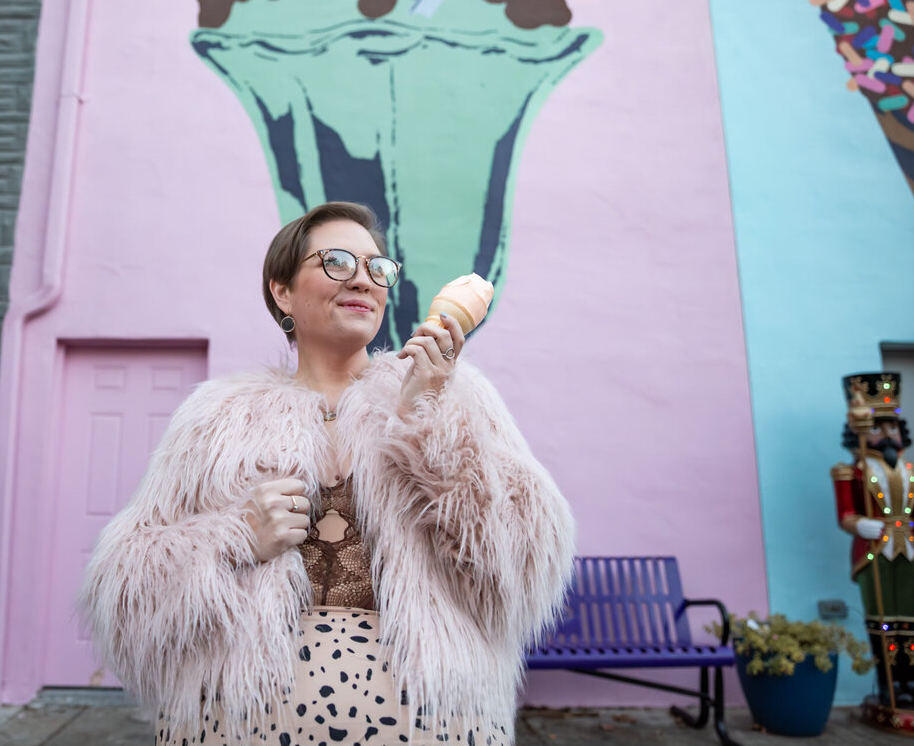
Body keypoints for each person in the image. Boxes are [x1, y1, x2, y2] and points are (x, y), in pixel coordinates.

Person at [79, 201, 576, 745]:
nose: (363, 277)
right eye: (337, 261)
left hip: (434, 722)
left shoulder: (453, 395)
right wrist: (236, 537)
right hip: (241, 723)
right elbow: (125, 594)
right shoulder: (216, 418)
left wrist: (424, 422)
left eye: (377, 267)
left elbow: (524, 563)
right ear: (282, 291)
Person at [832, 372, 914, 711]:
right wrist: (858, 524)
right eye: (877, 429)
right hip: (874, 552)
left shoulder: (912, 471)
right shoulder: (852, 471)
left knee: (908, 619)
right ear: (861, 431)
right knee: (882, 619)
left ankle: (910, 681)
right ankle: (888, 684)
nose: (887, 436)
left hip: (908, 549)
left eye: (891, 428)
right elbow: (846, 513)